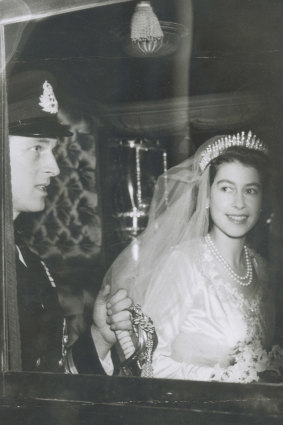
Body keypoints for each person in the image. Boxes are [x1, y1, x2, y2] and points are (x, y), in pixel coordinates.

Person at [106, 131, 283, 383]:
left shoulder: (261, 267)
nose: (239, 203)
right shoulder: (185, 262)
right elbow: (149, 364)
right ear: (207, 196)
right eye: (226, 188)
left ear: (262, 200)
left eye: (250, 190)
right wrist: (227, 378)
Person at [8, 69, 134, 374]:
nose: (53, 167)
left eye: (51, 150)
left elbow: (46, 380)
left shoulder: (28, 259)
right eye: (37, 149)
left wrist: (99, 337)